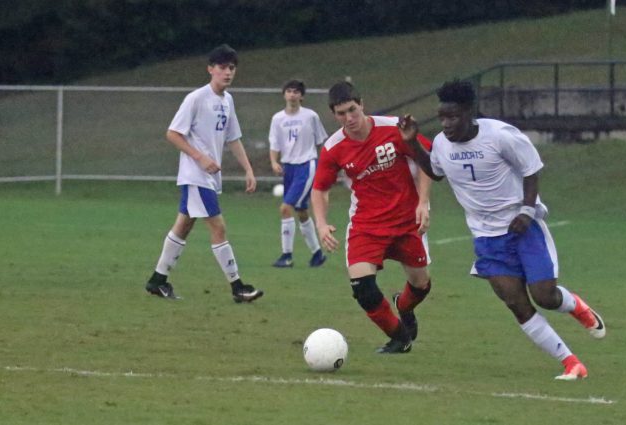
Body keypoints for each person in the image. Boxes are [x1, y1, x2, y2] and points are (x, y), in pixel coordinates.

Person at [401, 79, 605, 380]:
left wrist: (526, 210)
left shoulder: (500, 135)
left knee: (544, 296)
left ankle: (577, 307)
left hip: (523, 228)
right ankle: (571, 363)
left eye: (453, 116)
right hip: (486, 238)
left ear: (469, 112)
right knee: (516, 302)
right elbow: (435, 171)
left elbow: (531, 168)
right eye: (442, 117)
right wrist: (411, 142)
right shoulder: (443, 144)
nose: (446, 124)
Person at [311, 82, 433, 354]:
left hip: (406, 223)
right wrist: (321, 223)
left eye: (352, 110)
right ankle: (400, 338)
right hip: (366, 226)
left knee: (421, 285)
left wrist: (423, 202)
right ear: (334, 115)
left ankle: (403, 306)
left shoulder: (393, 128)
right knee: (363, 288)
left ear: (362, 104)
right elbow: (319, 189)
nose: (349, 118)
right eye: (341, 114)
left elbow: (427, 160)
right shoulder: (334, 148)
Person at [145, 44, 264, 303]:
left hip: (208, 177)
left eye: (232, 68)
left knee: (183, 226)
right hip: (195, 175)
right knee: (218, 227)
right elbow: (173, 134)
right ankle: (238, 288)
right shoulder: (196, 98)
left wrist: (248, 170)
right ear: (210, 69)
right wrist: (200, 157)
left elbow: (233, 138)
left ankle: (157, 281)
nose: (228, 73)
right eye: (222, 67)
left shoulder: (228, 100)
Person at [268, 79, 329, 268]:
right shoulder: (277, 119)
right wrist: (274, 162)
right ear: (284, 94)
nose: (292, 94)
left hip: (307, 166)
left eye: (296, 92)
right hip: (289, 168)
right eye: (289, 91)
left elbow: (322, 141)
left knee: (285, 208)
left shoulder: (310, 116)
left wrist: (327, 166)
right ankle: (317, 254)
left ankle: (286, 256)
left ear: (301, 96)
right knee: (301, 211)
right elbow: (274, 143)